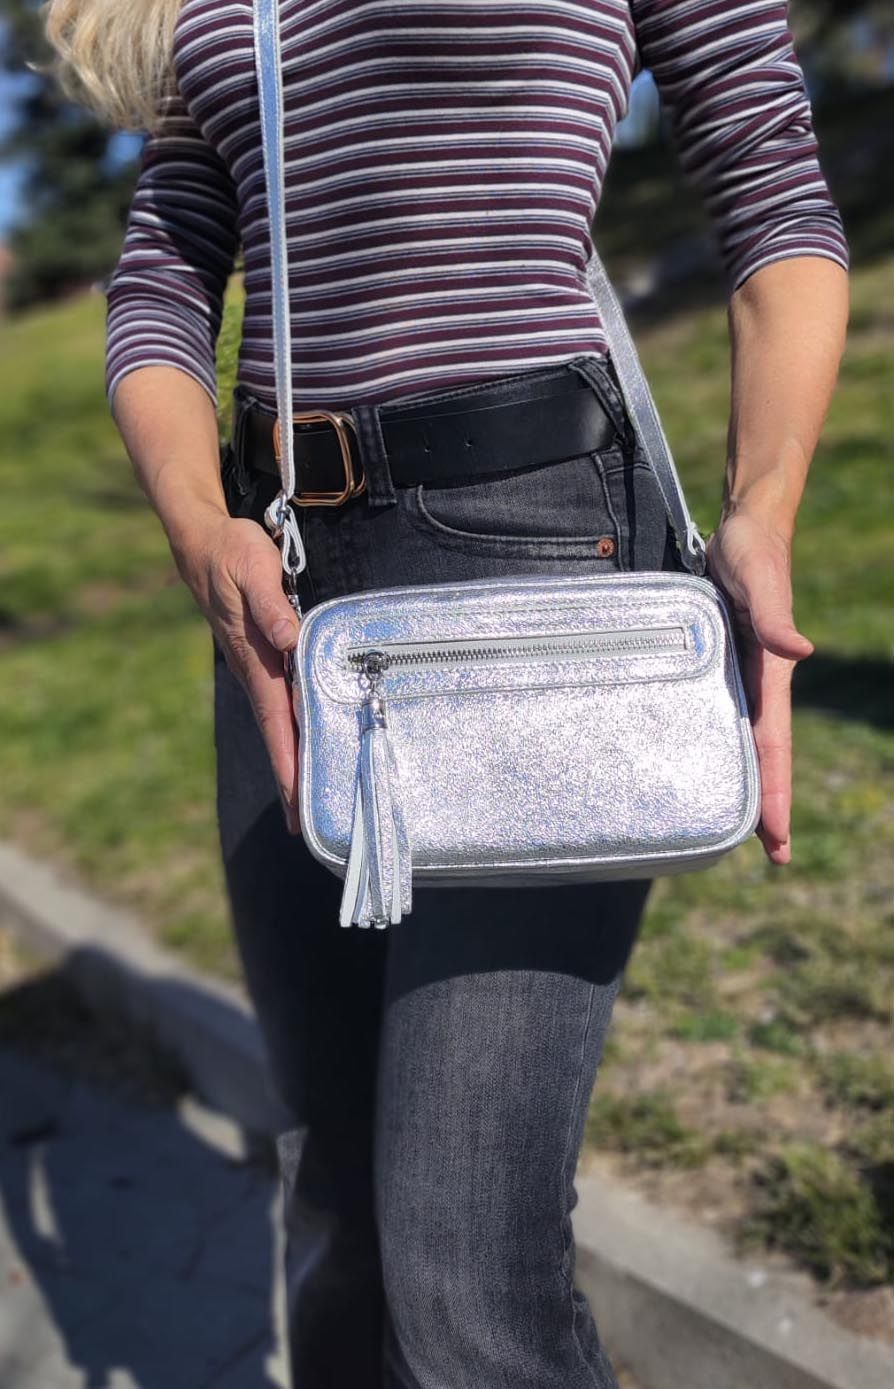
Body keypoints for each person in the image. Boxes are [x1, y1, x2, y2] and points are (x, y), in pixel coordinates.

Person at [44, 1, 849, 1384]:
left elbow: (770, 183)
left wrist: (760, 513)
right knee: (336, 1200)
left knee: (464, 1267)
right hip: (287, 586)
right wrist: (199, 529)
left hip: (531, 552)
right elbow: (164, 276)